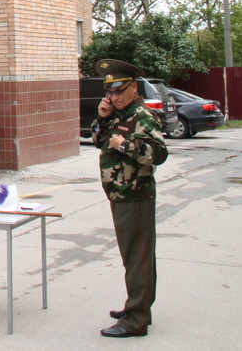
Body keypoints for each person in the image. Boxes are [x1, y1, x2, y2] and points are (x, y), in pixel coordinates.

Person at [91, 59, 168, 338]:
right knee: (134, 256)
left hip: (136, 195)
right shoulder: (117, 114)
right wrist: (102, 118)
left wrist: (123, 144)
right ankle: (138, 307)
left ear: (134, 88)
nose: (114, 97)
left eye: (120, 91)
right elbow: (98, 140)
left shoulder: (142, 115)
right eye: (110, 92)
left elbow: (159, 153)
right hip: (121, 194)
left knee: (138, 258)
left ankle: (136, 319)